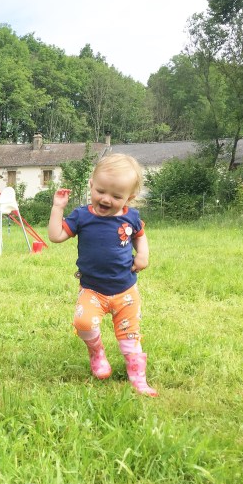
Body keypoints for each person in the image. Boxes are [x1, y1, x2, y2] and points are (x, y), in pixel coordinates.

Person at [48, 154, 157, 396]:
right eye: (100, 191)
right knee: (83, 323)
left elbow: (140, 236)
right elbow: (56, 236)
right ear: (91, 185)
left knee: (130, 334)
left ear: (129, 198)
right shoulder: (82, 216)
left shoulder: (131, 217)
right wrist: (58, 208)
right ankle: (96, 352)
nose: (106, 199)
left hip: (125, 290)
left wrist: (143, 255)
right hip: (92, 290)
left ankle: (138, 378)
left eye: (116, 196)